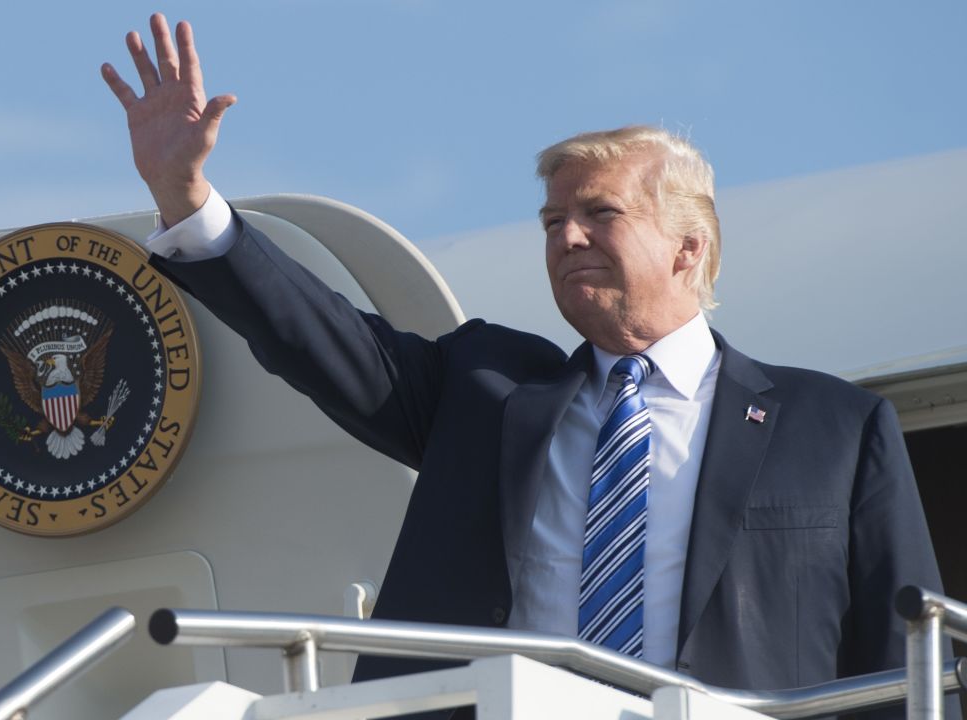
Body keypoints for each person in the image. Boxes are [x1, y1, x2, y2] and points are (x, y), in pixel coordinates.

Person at [100, 14, 953, 718]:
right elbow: (316, 338)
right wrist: (188, 201)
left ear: (689, 247)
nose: (566, 237)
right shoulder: (487, 392)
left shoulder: (836, 430)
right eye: (551, 221)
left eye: (598, 213)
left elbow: (904, 658)